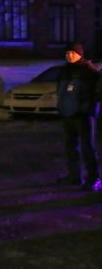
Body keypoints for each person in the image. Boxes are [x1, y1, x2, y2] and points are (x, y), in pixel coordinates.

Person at [55, 43, 101, 192]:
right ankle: (74, 175)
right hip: (68, 114)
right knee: (71, 147)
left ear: (80, 54)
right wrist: (61, 107)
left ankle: (94, 178)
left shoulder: (88, 71)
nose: (70, 56)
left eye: (73, 53)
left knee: (87, 147)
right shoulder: (64, 71)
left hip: (83, 115)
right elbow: (61, 91)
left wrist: (87, 108)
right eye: (67, 53)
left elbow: (96, 92)